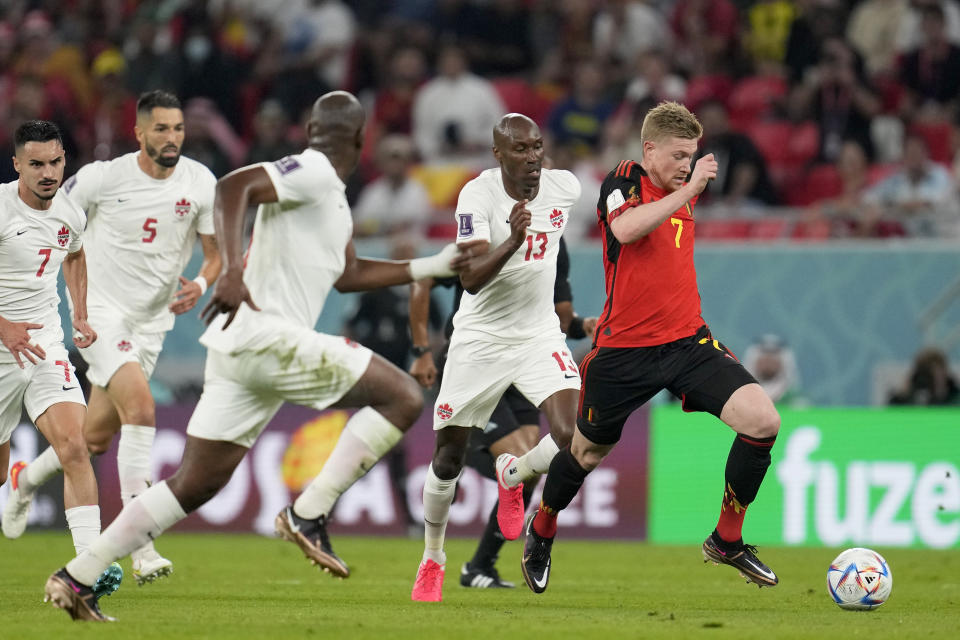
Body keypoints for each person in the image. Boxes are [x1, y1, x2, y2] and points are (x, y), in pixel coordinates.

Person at [43, 91, 463, 623]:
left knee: (194, 483)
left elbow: (349, 274)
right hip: (267, 336)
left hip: (242, 351)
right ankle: (308, 514)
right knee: (403, 395)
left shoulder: (328, 196)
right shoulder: (310, 171)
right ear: (362, 140)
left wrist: (432, 264)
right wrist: (234, 273)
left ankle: (77, 576)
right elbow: (234, 184)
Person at [520, 101, 781, 594]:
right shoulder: (621, 182)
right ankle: (542, 529)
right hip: (624, 351)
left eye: (693, 156)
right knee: (585, 452)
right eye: (678, 154)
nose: (687, 164)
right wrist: (689, 186)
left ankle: (727, 539)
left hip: (688, 342)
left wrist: (686, 186)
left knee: (763, 421)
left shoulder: (683, 189)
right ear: (649, 150)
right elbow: (625, 229)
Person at [3, 91, 221, 586]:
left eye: (179, 128)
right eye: (161, 129)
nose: (172, 138)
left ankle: (24, 482)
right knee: (141, 411)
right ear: (140, 132)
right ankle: (140, 545)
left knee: (90, 440)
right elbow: (55, 219)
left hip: (146, 325)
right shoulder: (102, 178)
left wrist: (202, 284)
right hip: (103, 318)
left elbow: (214, 254)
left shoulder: (201, 182)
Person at [411, 113, 582, 603]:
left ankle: (513, 473)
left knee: (573, 437)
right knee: (447, 459)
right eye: (522, 150)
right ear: (499, 154)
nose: (533, 159)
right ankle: (433, 558)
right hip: (478, 339)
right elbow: (470, 280)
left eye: (538, 148)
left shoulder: (563, 187)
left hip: (536, 335)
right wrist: (512, 238)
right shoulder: (476, 196)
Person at [409, 236, 595, 590]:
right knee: (454, 458)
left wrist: (581, 325)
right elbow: (424, 279)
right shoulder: (483, 229)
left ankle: (479, 566)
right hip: (476, 360)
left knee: (529, 468)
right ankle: (437, 557)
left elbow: (560, 314)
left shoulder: (555, 238)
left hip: (527, 358)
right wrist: (421, 348)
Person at [0, 120, 120, 599]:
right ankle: (17, 482)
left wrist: (81, 312)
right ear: (17, 165)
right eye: (36, 164)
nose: (47, 172)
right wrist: (4, 326)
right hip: (0, 345)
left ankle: (88, 566)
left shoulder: (70, 212)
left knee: (75, 445)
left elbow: (73, 253)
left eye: (55, 162)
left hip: (45, 342)